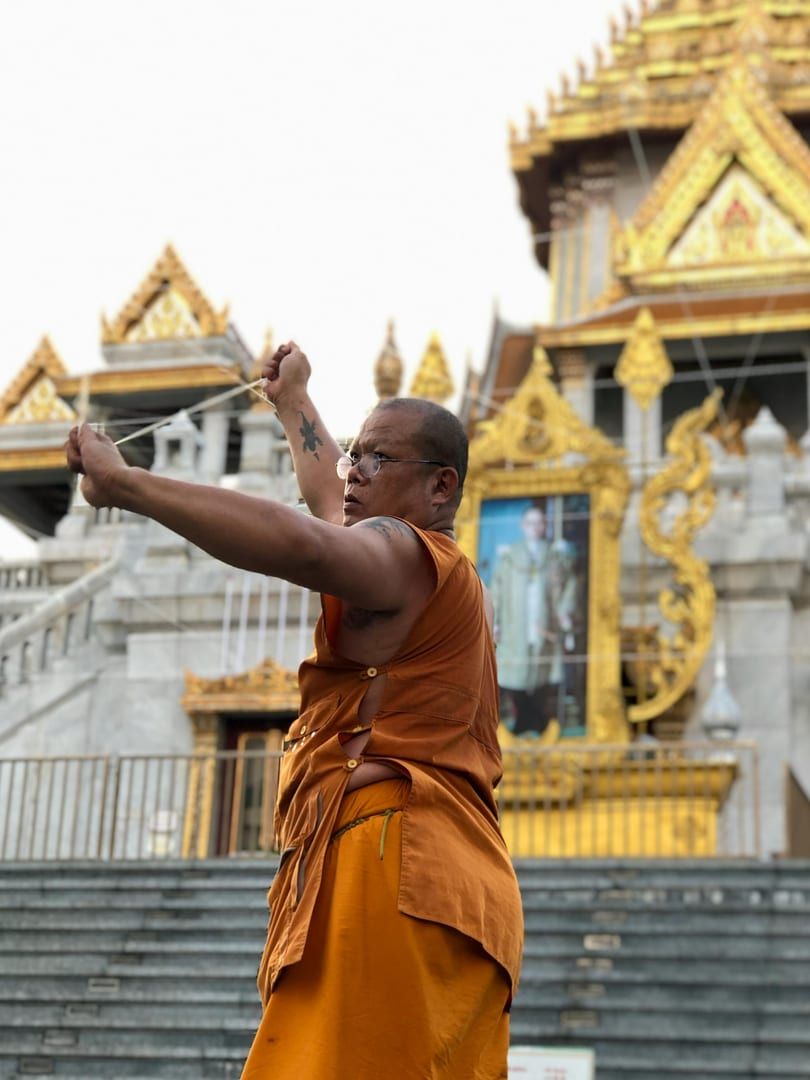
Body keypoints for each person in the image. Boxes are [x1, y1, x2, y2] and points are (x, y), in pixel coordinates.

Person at [65, 341, 524, 1080]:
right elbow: (326, 500)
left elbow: (305, 544)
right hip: (449, 889)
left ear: (440, 488)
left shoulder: (410, 555)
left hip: (392, 860)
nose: (354, 471)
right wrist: (294, 401)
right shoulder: (406, 563)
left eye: (377, 460)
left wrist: (128, 486)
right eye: (354, 453)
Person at [491, 503, 576, 736]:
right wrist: (495, 621)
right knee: (515, 673)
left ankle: (539, 720)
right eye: (530, 523)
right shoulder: (510, 557)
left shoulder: (555, 556)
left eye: (540, 523)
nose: (535, 528)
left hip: (543, 622)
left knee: (542, 671)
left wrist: (564, 612)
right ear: (523, 526)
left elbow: (568, 586)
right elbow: (496, 591)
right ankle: (520, 719)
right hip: (515, 622)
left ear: (545, 526)